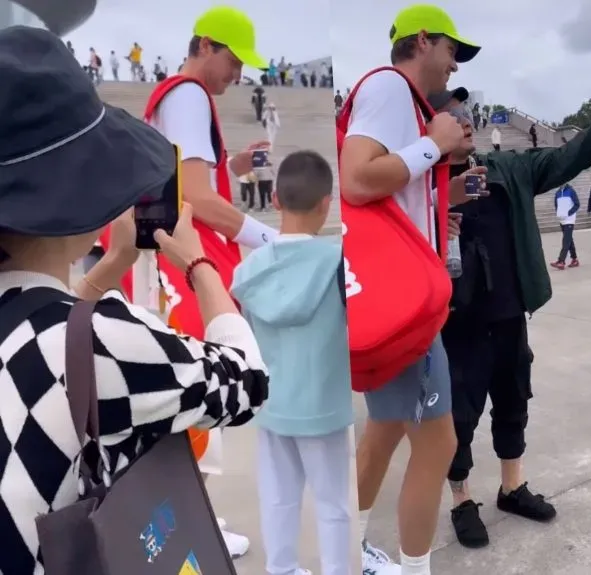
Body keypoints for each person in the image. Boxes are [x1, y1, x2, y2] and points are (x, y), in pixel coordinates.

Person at [0, 27, 270, 575]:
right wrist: (199, 264)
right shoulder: (107, 343)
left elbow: (34, 334)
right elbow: (246, 382)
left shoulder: (42, 329)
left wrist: (105, 272)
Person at [426, 71, 591, 549]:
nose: (465, 120)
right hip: (458, 323)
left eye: (467, 111)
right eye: (451, 114)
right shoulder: (419, 187)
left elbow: (567, 156)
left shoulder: (508, 168)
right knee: (460, 415)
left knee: (514, 400)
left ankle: (512, 487)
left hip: (509, 314)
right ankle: (460, 499)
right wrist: (437, 216)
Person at [115, 6, 275, 556]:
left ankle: (189, 515)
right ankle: (187, 522)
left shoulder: (172, 96)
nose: (237, 74)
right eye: (233, 60)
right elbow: (197, 199)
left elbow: (186, 180)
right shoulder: (187, 95)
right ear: (206, 46)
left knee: (181, 397)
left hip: (166, 267)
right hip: (184, 266)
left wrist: (230, 169)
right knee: (197, 392)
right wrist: (271, 239)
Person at [340, 5, 482, 574]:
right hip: (403, 304)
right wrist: (433, 144)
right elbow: (355, 178)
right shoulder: (388, 87)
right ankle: (411, 567)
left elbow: (389, 191)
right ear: (422, 41)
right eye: (452, 49)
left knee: (385, 432)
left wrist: (447, 183)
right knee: (437, 445)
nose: (453, 64)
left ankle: (343, 549)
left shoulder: (406, 102)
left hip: (400, 296)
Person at [231, 151, 352, 575]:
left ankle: (280, 569)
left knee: (278, 497)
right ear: (326, 203)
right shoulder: (337, 262)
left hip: (271, 404)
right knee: (333, 503)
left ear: (276, 202)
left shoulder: (248, 270)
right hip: (324, 406)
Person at [551, 183, 581, 269]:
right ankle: (574, 259)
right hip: (562, 219)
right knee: (569, 240)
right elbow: (556, 205)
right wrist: (559, 213)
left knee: (566, 240)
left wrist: (569, 213)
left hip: (569, 220)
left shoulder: (571, 191)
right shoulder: (557, 192)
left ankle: (561, 261)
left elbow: (577, 204)